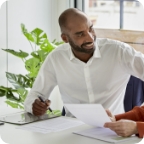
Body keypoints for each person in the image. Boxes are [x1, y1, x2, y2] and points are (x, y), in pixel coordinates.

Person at [24, 8, 144, 117]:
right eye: (80, 34)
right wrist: (34, 106)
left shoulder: (119, 52)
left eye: (91, 29)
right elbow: (35, 95)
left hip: (112, 130)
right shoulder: (56, 58)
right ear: (65, 38)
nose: (90, 38)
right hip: (71, 131)